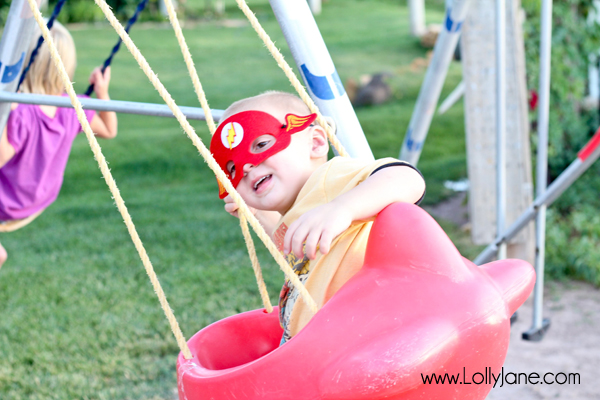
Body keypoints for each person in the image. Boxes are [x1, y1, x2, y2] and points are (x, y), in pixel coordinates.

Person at [210, 91, 425, 344]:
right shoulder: (296, 210)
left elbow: (407, 178)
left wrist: (343, 207)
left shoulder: (331, 179)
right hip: (324, 346)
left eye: (261, 145)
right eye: (231, 168)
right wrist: (259, 215)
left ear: (315, 143)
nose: (245, 167)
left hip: (374, 336)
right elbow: (294, 253)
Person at [0, 21, 118, 269]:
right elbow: (109, 130)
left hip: (8, 201)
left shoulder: (21, 114)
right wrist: (103, 93)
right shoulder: (73, 107)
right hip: (39, 199)